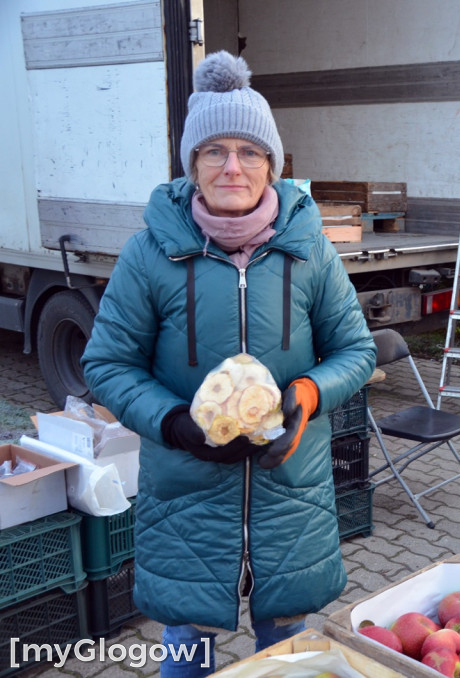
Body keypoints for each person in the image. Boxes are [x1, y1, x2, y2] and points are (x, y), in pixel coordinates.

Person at [81, 51, 376, 677]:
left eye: (249, 150)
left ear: (272, 162)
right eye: (214, 150)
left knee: (284, 651)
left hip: (288, 493)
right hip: (188, 500)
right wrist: (172, 423)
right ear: (192, 163)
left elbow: (356, 350)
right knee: (186, 648)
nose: (232, 166)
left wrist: (307, 393)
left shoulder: (309, 250)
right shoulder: (150, 254)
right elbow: (107, 363)